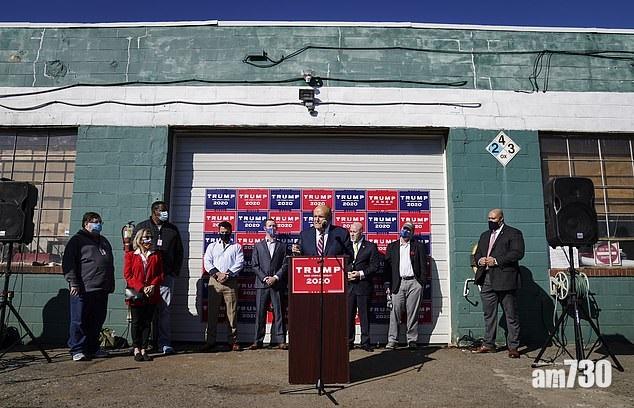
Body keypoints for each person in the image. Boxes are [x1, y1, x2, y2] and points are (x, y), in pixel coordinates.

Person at [62, 212, 115, 362]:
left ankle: (92, 348)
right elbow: (69, 263)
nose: (98, 224)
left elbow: (109, 264)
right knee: (79, 320)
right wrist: (73, 282)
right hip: (83, 288)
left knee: (96, 321)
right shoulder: (77, 241)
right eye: (94, 222)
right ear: (86, 223)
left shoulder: (103, 241)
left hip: (101, 288)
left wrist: (110, 285)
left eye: (99, 222)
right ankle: (77, 349)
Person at [472, 209, 524, 358]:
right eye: (489, 218)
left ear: (501, 219)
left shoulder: (513, 233)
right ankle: (489, 344)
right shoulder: (485, 235)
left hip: (505, 279)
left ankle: (513, 347)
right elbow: (478, 253)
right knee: (489, 314)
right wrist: (480, 260)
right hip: (487, 278)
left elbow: (517, 253)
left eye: (493, 219)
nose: (490, 221)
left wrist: (496, 261)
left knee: (511, 314)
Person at [133, 201, 183, 355]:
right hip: (145, 278)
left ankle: (164, 343)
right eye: (162, 211)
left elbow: (179, 251)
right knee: (143, 312)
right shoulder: (142, 227)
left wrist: (174, 271)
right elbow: (133, 251)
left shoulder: (172, 229)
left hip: (165, 276)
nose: (165, 213)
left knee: (164, 310)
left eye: (166, 210)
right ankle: (142, 344)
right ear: (154, 212)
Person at [383, 222, 428, 350]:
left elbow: (423, 266)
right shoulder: (392, 246)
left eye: (409, 230)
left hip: (414, 283)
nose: (406, 231)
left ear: (412, 233)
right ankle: (392, 340)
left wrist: (421, 283)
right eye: (404, 228)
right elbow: (387, 268)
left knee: (412, 313)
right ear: (400, 229)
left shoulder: (418, 246)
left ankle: (412, 340)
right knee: (395, 312)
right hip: (398, 283)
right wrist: (387, 284)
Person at [202, 221, 244, 351]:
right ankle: (210, 341)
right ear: (218, 232)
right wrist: (217, 274)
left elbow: (239, 262)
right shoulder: (212, 246)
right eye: (222, 232)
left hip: (230, 282)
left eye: (226, 232)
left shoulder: (236, 247)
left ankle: (233, 341)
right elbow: (207, 262)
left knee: (232, 313)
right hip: (214, 282)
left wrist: (227, 274)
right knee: (212, 313)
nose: (224, 234)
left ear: (231, 232)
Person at [123, 228, 164, 361]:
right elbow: (128, 275)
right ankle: (136, 348)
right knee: (136, 321)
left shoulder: (156, 255)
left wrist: (153, 285)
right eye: (146, 237)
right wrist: (141, 287)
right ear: (139, 240)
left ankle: (144, 348)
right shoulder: (130, 255)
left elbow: (160, 274)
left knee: (147, 322)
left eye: (150, 237)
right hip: (135, 291)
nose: (149, 240)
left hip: (151, 292)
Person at [249, 219, 289, 350]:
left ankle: (281, 340)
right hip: (262, 284)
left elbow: (285, 264)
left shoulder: (282, 246)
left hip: (277, 284)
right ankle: (257, 341)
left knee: (279, 312)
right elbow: (254, 265)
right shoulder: (258, 246)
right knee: (260, 313)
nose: (272, 228)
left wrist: (275, 277)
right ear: (264, 228)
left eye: (274, 226)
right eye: (270, 226)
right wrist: (265, 278)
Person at [347, 222, 381, 352]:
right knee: (348, 316)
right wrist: (347, 274)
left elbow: (374, 266)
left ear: (361, 232)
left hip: (363, 286)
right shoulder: (346, 246)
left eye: (354, 232)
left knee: (364, 316)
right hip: (349, 286)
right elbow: (341, 262)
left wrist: (360, 274)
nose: (352, 234)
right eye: (350, 231)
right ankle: (349, 342)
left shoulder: (371, 247)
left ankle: (365, 342)